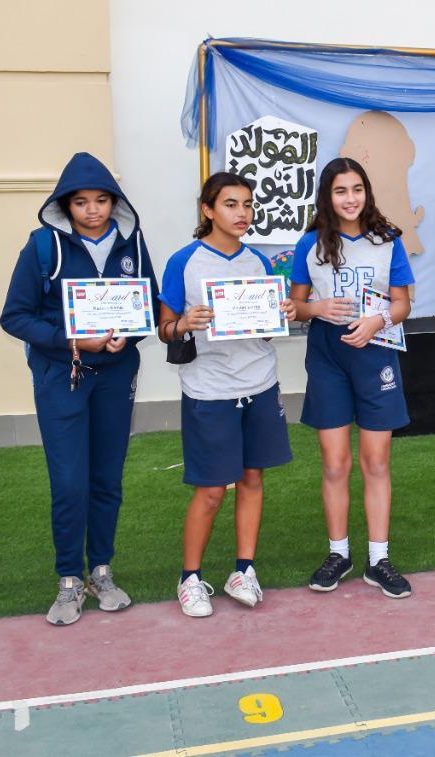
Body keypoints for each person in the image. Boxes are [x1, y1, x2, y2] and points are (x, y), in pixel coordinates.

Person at [1, 152, 158, 626]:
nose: (93, 211)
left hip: (115, 376)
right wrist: (72, 339)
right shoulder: (42, 246)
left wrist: (126, 337)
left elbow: (147, 304)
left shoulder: (131, 240)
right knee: (69, 483)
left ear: (115, 201)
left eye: (102, 200)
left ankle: (102, 572)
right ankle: (69, 580)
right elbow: (14, 317)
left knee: (107, 479)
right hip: (61, 378)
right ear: (65, 205)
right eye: (82, 202)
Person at [158, 172, 295, 617]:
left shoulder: (258, 262)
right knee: (213, 489)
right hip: (209, 389)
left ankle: (244, 569)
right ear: (208, 209)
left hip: (259, 383)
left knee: (252, 479)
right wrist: (184, 323)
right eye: (231, 204)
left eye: (248, 205)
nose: (242, 214)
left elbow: (267, 331)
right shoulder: (185, 261)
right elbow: (165, 328)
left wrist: (281, 314)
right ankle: (190, 578)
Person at [291, 158, 416, 599]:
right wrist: (316, 309)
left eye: (357, 189)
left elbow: (403, 304)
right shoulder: (311, 243)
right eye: (341, 190)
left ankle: (378, 559)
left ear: (367, 192)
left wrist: (377, 322)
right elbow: (296, 306)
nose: (350, 198)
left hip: (375, 353)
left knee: (376, 462)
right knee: (334, 462)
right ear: (328, 195)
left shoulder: (387, 241)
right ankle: (338, 552)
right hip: (327, 356)